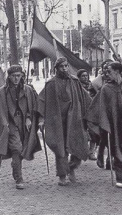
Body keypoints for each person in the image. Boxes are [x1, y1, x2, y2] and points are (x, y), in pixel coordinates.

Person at [38, 58, 91, 186]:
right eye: (62, 67)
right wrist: (41, 119)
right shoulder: (51, 84)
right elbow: (42, 101)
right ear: (56, 68)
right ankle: (62, 175)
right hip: (57, 121)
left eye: (66, 66)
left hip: (74, 119)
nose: (65, 69)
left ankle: (71, 167)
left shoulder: (75, 81)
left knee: (79, 144)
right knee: (60, 149)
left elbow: (85, 98)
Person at [0, 65, 41, 190]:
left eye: (18, 76)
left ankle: (15, 165)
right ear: (9, 77)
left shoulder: (28, 90)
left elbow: (34, 105)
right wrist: (4, 123)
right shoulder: (2, 92)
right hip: (10, 124)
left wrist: (29, 117)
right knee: (17, 148)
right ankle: (19, 178)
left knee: (23, 149)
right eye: (13, 76)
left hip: (24, 124)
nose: (16, 79)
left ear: (22, 75)